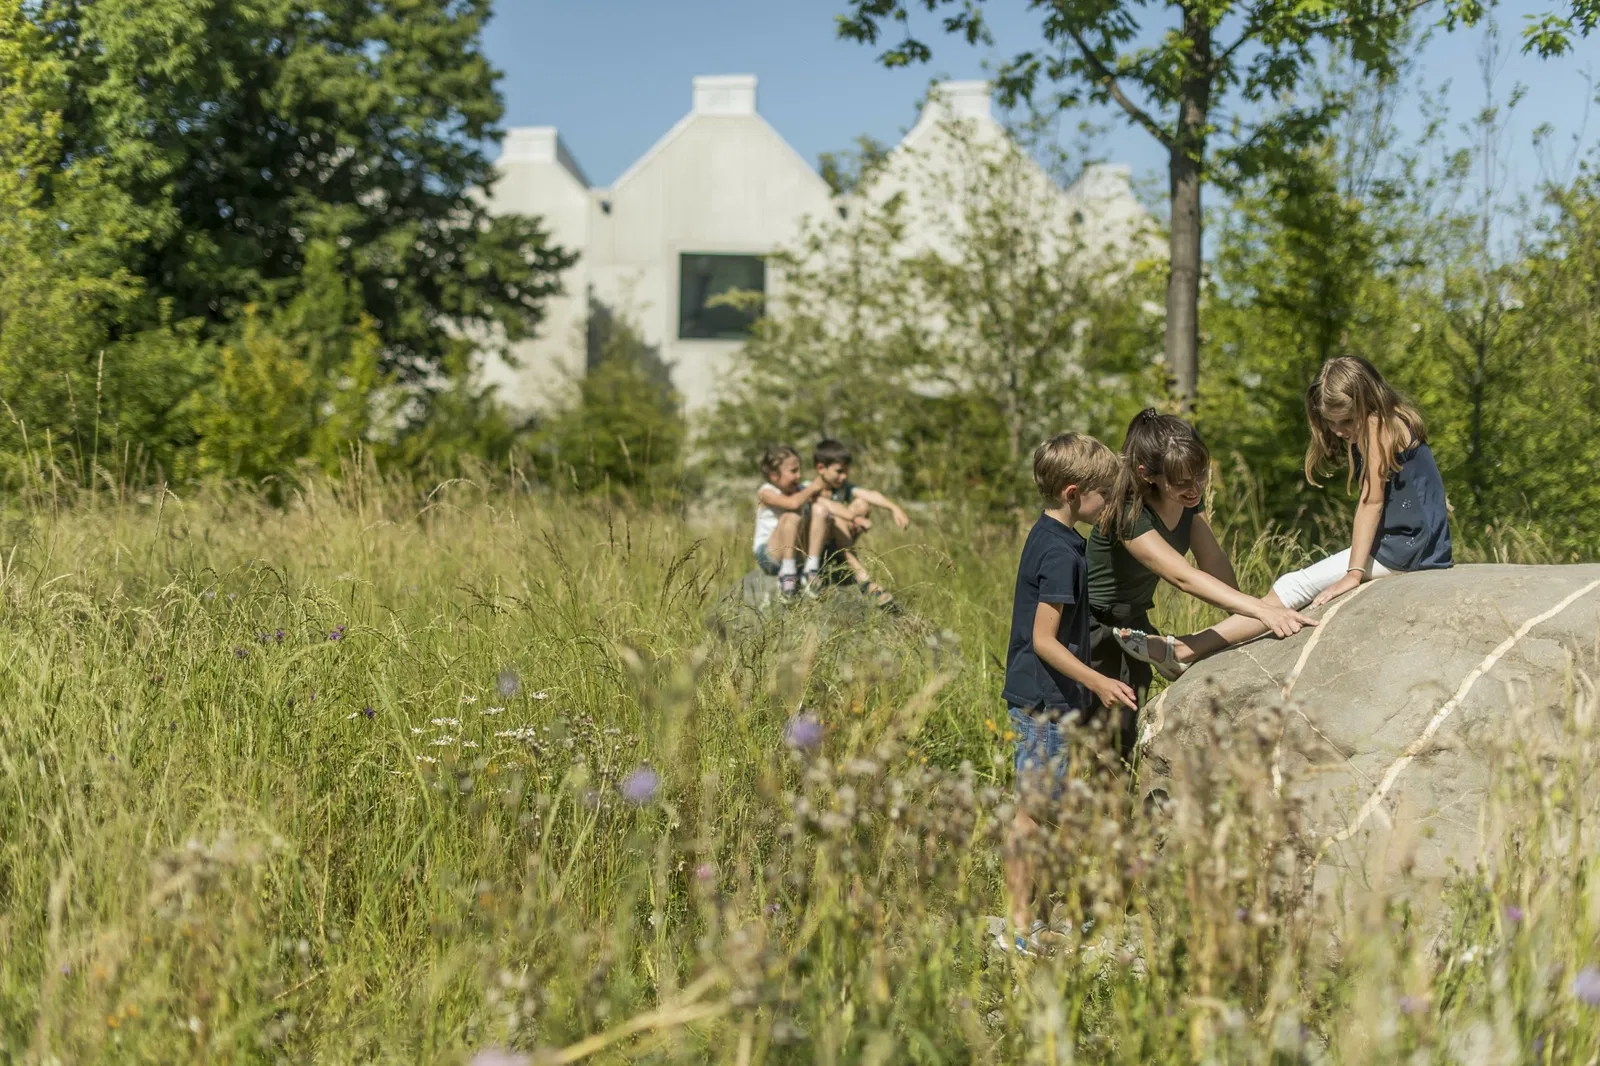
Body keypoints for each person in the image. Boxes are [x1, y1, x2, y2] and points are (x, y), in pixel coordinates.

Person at [1115, 356, 1452, 673]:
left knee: (1292, 587)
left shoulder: (1378, 426)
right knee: (1291, 588)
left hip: (1404, 549)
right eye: (1332, 423)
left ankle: (1184, 650)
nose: (1338, 430)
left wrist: (1353, 572)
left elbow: (1371, 502)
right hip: (1420, 544)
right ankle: (1192, 646)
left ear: (1368, 401)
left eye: (1346, 421)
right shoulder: (1392, 420)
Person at [1001, 432, 1133, 955]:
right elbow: (1043, 640)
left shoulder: (1051, 538)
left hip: (1045, 697)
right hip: (1044, 702)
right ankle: (1021, 924)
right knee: (1035, 812)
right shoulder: (1062, 556)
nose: (1111, 504)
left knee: (1042, 808)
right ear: (1076, 492)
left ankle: (1036, 914)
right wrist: (1098, 681)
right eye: (1106, 495)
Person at [1086, 410, 1317, 697]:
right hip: (1091, 629)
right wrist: (1260, 610)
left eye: (1201, 474)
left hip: (1133, 625)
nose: (1195, 488)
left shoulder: (1188, 501)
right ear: (1147, 475)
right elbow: (1182, 576)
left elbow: (1213, 560)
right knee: (1089, 733)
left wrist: (1245, 617)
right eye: (1182, 482)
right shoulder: (1129, 512)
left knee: (1124, 734)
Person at [801, 438, 910, 609]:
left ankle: (843, 559)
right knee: (834, 517)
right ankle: (863, 579)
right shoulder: (809, 487)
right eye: (838, 471)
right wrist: (854, 518)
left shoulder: (842, 487)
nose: (843, 476)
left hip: (837, 541)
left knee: (862, 503)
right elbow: (827, 506)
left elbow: (870, 494)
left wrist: (893, 508)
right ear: (821, 468)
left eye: (846, 472)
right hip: (813, 547)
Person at [753, 445, 829, 598]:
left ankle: (811, 569)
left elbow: (828, 505)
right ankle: (787, 574)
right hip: (770, 555)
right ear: (774, 476)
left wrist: (853, 516)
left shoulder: (801, 490)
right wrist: (813, 487)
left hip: (798, 553)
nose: (799, 475)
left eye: (799, 470)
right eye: (793, 471)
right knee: (791, 516)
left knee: (820, 510)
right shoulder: (766, 492)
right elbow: (792, 504)